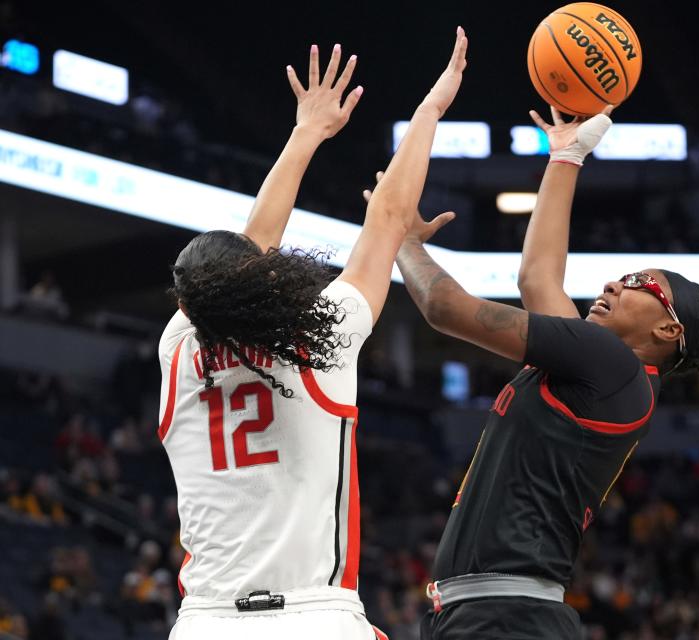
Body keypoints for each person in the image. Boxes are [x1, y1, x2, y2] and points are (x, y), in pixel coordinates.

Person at [381, 107, 699, 640]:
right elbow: (538, 279)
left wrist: (399, 239)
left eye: (639, 283)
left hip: (508, 619)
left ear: (667, 331)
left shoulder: (610, 365)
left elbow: (445, 309)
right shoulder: (605, 376)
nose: (614, 284)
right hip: (494, 614)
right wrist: (566, 156)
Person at [158, 29, 468, 640]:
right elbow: (385, 219)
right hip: (312, 617)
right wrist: (428, 112)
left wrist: (307, 134)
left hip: (204, 624)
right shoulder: (319, 342)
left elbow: (253, 252)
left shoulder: (178, 346)